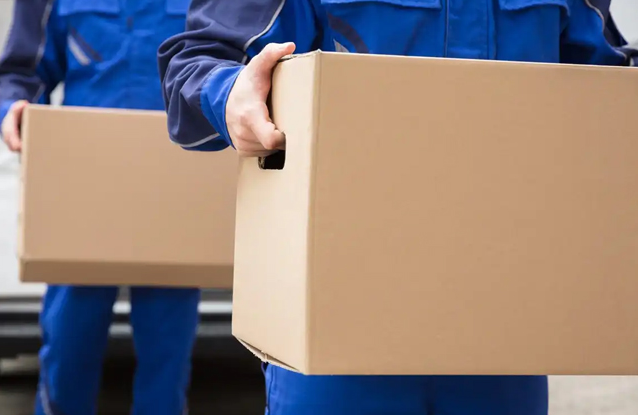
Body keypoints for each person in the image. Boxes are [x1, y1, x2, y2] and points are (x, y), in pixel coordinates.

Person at [158, 1, 636, 414]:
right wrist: (230, 96)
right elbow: (195, 63)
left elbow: (607, 83)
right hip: (338, 327)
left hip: (503, 328)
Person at [0, 1, 199, 414]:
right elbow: (21, 72)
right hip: (84, 194)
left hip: (172, 194)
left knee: (167, 356)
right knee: (69, 344)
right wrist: (12, 107)